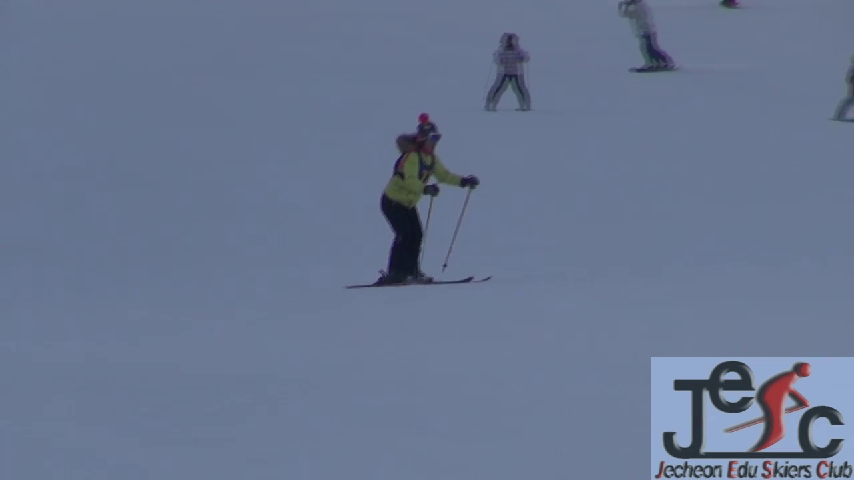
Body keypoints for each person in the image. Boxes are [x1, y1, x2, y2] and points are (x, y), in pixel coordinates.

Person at [375, 121, 480, 285]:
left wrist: (464, 181)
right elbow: (409, 181)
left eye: (438, 138)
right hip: (392, 201)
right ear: (423, 139)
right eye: (433, 138)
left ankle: (411, 271)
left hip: (407, 203)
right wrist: (425, 189)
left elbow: (444, 175)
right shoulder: (412, 157)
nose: (435, 142)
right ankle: (396, 273)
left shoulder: (431, 159)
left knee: (416, 235)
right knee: (405, 234)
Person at [618, 0, 675, 72]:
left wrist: (622, 6)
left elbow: (626, 14)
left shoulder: (639, 6)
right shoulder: (640, 5)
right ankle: (658, 63)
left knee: (647, 49)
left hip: (645, 31)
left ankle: (658, 63)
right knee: (650, 48)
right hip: (646, 30)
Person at [485, 33, 531, 111]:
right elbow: (496, 60)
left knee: (519, 89)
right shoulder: (501, 51)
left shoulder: (518, 51)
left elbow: (526, 59)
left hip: (516, 74)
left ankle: (525, 106)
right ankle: (490, 105)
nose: (509, 43)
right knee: (498, 89)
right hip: (504, 73)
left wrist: (525, 56)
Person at [832, 56, 854, 121]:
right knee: (849, 100)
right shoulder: (852, 67)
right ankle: (838, 116)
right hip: (852, 87)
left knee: (849, 100)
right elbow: (849, 78)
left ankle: (838, 116)